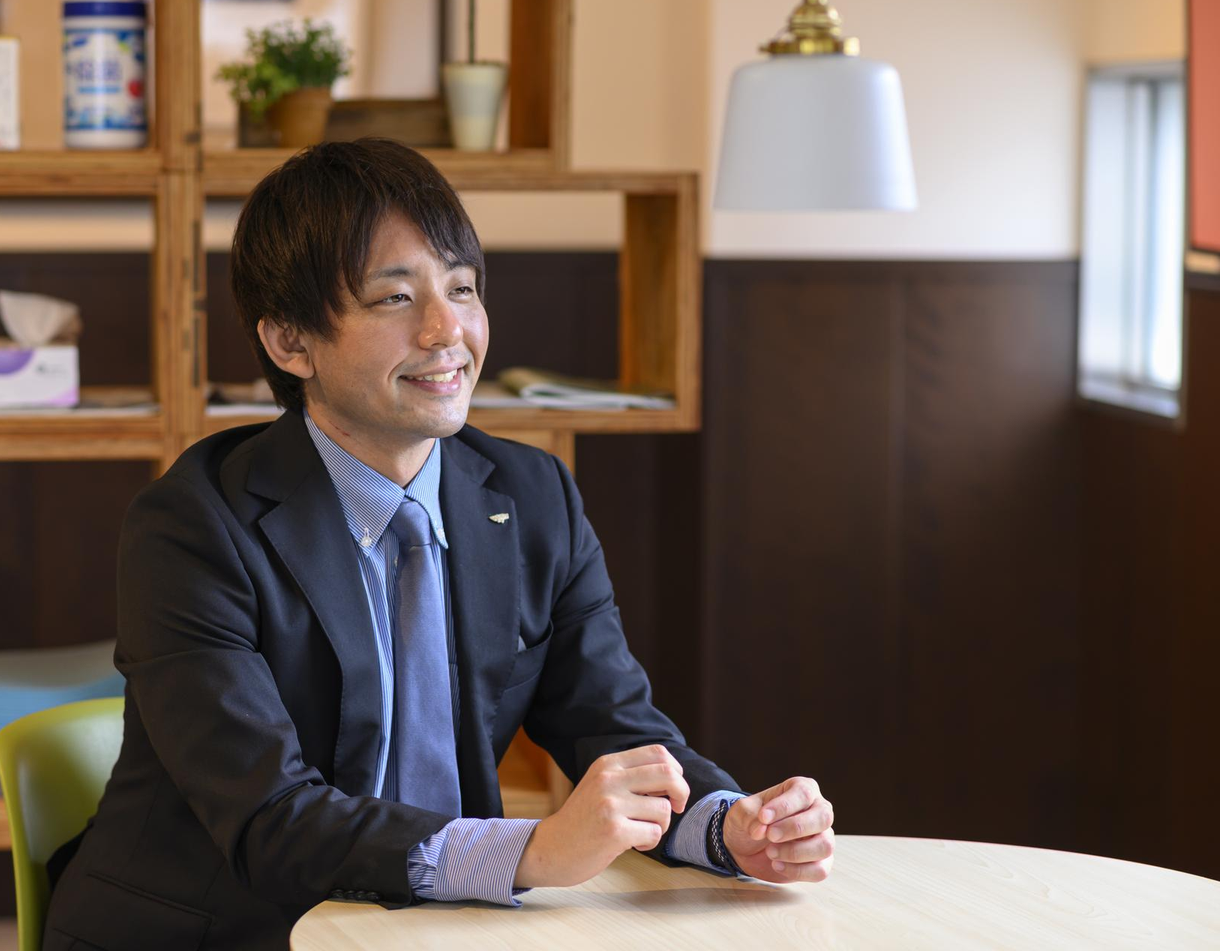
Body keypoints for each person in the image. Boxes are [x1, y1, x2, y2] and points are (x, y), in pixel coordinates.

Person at [42, 138, 835, 951]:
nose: (447, 329)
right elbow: (269, 818)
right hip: (215, 931)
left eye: (461, 288)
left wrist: (725, 826)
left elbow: (612, 723)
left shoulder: (532, 495)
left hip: (444, 927)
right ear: (290, 342)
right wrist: (533, 851)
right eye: (395, 297)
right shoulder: (192, 527)